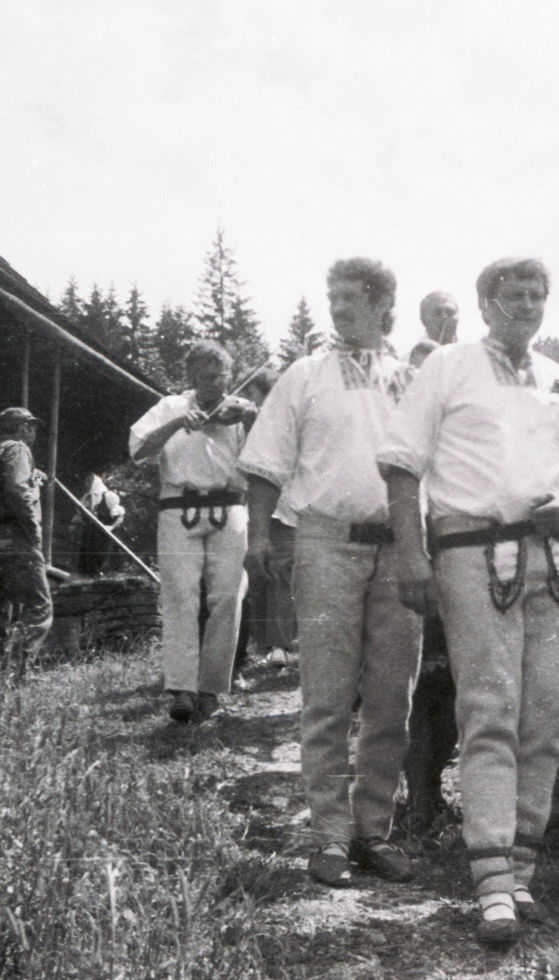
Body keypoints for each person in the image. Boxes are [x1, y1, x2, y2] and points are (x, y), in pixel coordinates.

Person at [379, 257, 559, 947]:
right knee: (489, 708)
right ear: (485, 302)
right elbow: (399, 463)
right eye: (514, 295)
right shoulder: (448, 367)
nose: (528, 305)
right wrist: (412, 555)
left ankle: (523, 869)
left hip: (555, 555)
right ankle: (491, 884)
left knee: (548, 712)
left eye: (539, 294)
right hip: (473, 550)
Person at [240, 258, 422, 888]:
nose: (339, 308)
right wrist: (260, 533)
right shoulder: (305, 374)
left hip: (399, 548)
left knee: (392, 696)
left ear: (383, 305)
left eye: (352, 297)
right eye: (333, 296)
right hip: (326, 545)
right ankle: (329, 837)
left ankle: (374, 830)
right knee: (326, 695)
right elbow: (264, 463)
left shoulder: (413, 380)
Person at [129, 341, 256, 724]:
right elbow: (137, 452)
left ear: (228, 377)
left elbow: (269, 455)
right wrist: (176, 425)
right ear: (190, 378)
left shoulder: (239, 410)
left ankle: (212, 687)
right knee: (180, 596)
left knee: (227, 596)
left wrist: (249, 416)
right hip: (177, 507)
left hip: (229, 506)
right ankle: (182, 688)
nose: (212, 384)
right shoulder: (170, 407)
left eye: (219, 376)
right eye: (203, 377)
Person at [0, 406, 54, 680]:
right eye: (31, 427)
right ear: (21, 428)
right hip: (14, 535)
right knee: (39, 606)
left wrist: (34, 479)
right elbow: (17, 490)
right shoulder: (18, 449)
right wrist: (33, 530)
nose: (33, 433)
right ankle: (16, 670)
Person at [236, 367, 296, 670]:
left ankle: (280, 645)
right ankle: (262, 645)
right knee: (256, 577)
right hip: (252, 511)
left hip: (285, 509)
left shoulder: (284, 419)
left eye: (255, 397)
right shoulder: (242, 422)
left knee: (282, 575)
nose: (252, 404)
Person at [69, 471, 126, 576]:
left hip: (106, 534)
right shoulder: (84, 499)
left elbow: (120, 517)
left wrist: (111, 527)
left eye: (89, 481)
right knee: (86, 563)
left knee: (104, 559)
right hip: (89, 535)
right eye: (86, 481)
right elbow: (79, 518)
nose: (87, 483)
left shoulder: (108, 496)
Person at [409, 290, 460, 367]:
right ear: (423, 319)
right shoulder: (408, 361)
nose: (444, 317)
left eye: (450, 312)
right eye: (438, 313)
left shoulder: (470, 356)